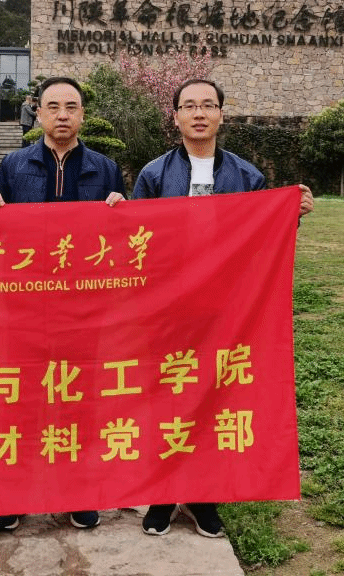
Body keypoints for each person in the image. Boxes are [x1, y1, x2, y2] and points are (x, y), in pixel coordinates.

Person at [132, 77, 314, 538]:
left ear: (220, 115)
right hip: (169, 308)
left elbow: (262, 239)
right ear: (175, 116)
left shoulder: (247, 176)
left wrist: (290, 214)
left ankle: (203, 495)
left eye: (208, 105)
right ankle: (162, 493)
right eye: (189, 106)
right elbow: (136, 240)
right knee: (167, 396)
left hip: (227, 309)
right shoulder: (154, 175)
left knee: (215, 397)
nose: (199, 113)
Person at [0, 75, 125, 531]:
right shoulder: (13, 164)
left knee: (79, 399)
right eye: (53, 107)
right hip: (24, 306)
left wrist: (123, 209)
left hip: (83, 309)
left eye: (71, 107)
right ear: (38, 113)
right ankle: (14, 493)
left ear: (83, 115)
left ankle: (77, 492)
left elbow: (125, 240)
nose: (62, 115)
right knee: (20, 399)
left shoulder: (106, 169)